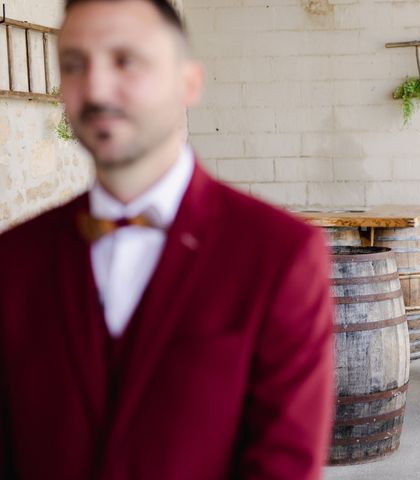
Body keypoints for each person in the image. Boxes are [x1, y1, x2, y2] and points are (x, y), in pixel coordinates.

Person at [0, 0, 335, 478]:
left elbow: (283, 464)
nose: (95, 87)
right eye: (75, 64)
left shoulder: (280, 255)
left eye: (126, 60)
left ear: (188, 83)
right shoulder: (13, 261)